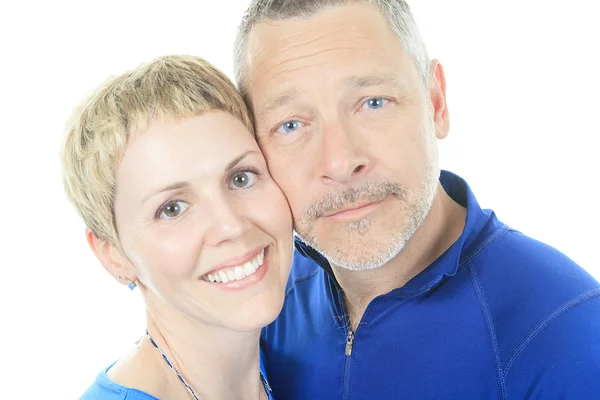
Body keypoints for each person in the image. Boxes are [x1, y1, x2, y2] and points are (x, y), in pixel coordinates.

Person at [233, 1, 600, 399]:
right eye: (290, 125)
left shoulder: (564, 329)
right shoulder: (264, 300)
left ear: (435, 101)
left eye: (373, 102)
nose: (339, 162)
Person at [61, 55, 293, 399]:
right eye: (172, 209)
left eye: (241, 178)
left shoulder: (296, 364)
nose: (230, 225)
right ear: (113, 255)